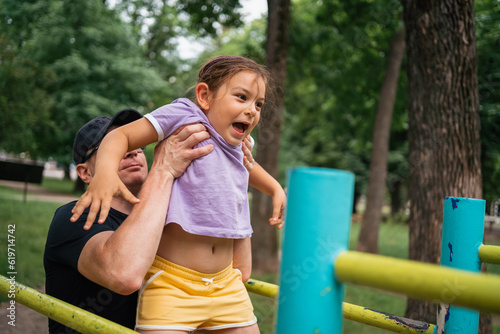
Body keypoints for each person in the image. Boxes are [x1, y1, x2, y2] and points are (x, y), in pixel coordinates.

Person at [70, 55, 286, 333]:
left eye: (258, 104)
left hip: (226, 285)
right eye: (241, 97)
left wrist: (274, 188)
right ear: (205, 96)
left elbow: (249, 166)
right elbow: (119, 136)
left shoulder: (241, 142)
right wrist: (105, 174)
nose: (252, 110)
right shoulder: (185, 116)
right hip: (173, 284)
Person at [44, 110, 215, 333]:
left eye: (138, 145)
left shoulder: (167, 217)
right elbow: (123, 275)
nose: (132, 152)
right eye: (111, 148)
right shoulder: (73, 217)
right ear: (85, 173)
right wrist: (163, 170)